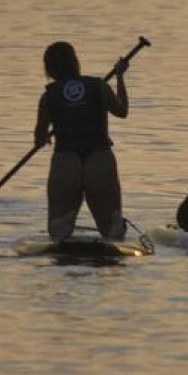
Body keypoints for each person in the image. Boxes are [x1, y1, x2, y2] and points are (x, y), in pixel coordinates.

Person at [34, 42, 130, 241]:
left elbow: (39, 139)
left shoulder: (48, 96)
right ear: (75, 62)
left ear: (49, 69)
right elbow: (122, 111)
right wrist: (120, 77)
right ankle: (111, 228)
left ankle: (64, 221)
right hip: (99, 158)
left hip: (66, 160)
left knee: (58, 230)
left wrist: (44, 137)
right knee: (112, 229)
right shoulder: (99, 86)